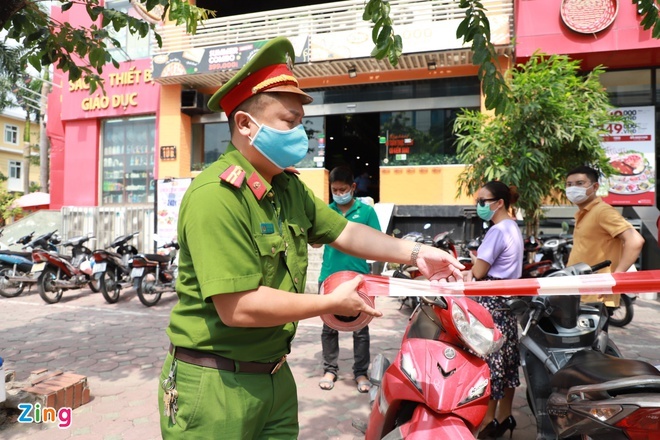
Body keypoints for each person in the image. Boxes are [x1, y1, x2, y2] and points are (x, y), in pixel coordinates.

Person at [157, 36, 464, 439]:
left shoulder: (287, 187)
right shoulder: (216, 196)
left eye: (302, 122)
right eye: (290, 121)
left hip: (274, 377)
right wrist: (329, 303)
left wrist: (418, 252)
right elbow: (238, 308)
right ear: (246, 125)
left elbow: (347, 231)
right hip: (215, 384)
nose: (301, 134)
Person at [463, 181, 523, 440]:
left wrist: (475, 262)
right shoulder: (512, 227)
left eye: (483, 200)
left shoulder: (498, 231)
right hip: (507, 304)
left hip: (491, 305)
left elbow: (479, 272)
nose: (479, 205)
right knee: (507, 363)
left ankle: (487, 422)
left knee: (489, 365)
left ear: (499, 203)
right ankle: (504, 416)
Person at [318, 166, 381, 393]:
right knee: (328, 328)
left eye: (343, 189)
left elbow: (377, 243)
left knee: (360, 329)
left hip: (358, 279)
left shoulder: (366, 212)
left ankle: (361, 373)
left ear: (353, 187)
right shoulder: (326, 211)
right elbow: (315, 241)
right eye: (334, 190)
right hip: (329, 276)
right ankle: (330, 369)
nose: (338, 193)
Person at [565, 165, 644, 313]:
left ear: (595, 187)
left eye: (580, 183)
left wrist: (616, 278)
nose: (573, 188)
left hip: (596, 296)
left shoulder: (603, 211)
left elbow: (635, 240)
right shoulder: (584, 213)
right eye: (569, 185)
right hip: (582, 292)